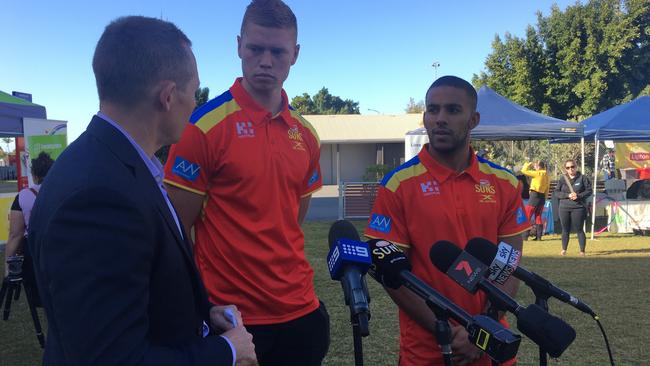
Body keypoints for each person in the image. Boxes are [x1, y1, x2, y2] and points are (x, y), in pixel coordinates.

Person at [27, 16, 256, 366]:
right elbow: (113, 357)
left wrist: (204, 313)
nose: (194, 104)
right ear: (167, 97)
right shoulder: (99, 196)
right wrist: (227, 351)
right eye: (193, 91)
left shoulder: (110, 165)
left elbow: (139, 290)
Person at [163, 1, 329, 365]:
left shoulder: (307, 135)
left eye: (278, 51)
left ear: (295, 54)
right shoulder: (202, 128)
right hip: (235, 321)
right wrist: (202, 307)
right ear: (239, 45)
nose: (266, 61)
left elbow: (291, 220)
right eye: (255, 49)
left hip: (301, 311)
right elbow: (175, 235)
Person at [364, 76, 530, 366]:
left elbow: (509, 265)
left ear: (473, 119)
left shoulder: (504, 183)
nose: (440, 119)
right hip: (428, 351)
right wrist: (449, 332)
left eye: (453, 110)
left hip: (491, 347)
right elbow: (392, 276)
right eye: (433, 109)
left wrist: (482, 330)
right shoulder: (398, 185)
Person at [4, 152, 54, 278]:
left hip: (33, 252)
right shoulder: (65, 192)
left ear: (34, 174)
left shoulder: (23, 196)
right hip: (61, 248)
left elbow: (15, 235)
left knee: (35, 293)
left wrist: (7, 267)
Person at [555, 159, 592, 256]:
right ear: (565, 169)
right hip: (564, 207)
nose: (570, 169)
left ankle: (582, 251)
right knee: (565, 229)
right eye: (568, 167)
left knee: (579, 229)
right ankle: (564, 250)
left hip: (578, 207)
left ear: (576, 167)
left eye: (572, 167)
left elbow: (589, 191)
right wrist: (568, 195)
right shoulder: (562, 179)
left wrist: (578, 195)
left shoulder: (583, 178)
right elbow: (556, 192)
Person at [521, 160, 549, 241]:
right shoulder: (547, 174)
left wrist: (527, 164)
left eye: (535, 166)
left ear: (539, 166)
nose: (534, 168)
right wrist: (545, 197)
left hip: (534, 195)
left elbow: (524, 171)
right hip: (542, 196)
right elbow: (547, 188)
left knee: (527, 215)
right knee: (538, 216)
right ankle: (539, 237)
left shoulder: (538, 173)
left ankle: (524, 236)